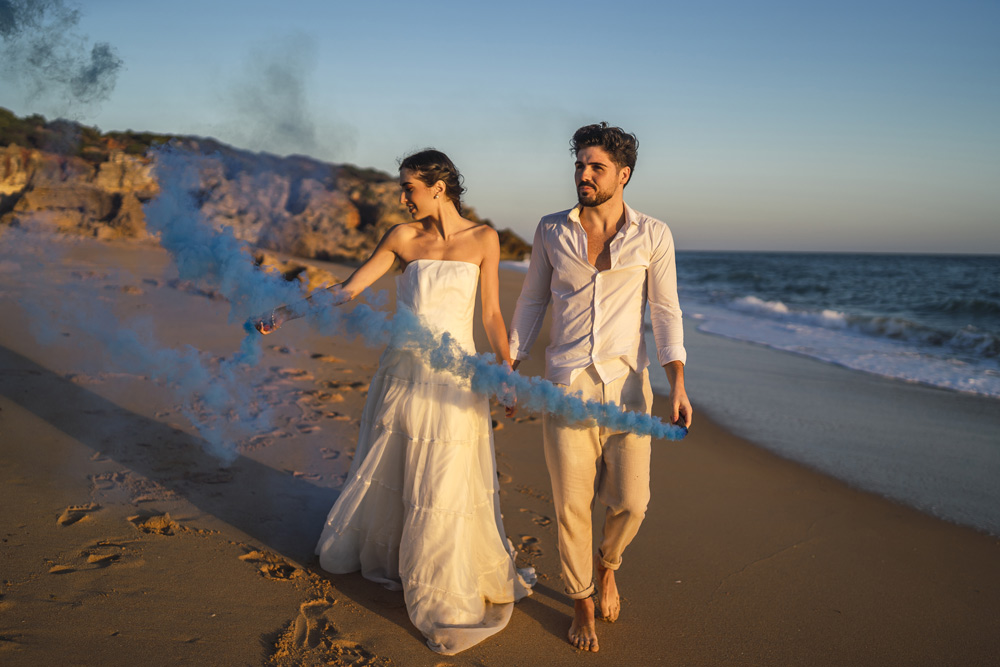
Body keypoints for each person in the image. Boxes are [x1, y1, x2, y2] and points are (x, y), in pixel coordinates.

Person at [256, 149, 532, 655]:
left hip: (459, 377)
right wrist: (287, 310)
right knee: (402, 467)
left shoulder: (484, 239)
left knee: (447, 476)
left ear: (439, 187)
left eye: (409, 187)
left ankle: (442, 584)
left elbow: (492, 314)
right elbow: (348, 289)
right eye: (401, 188)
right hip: (405, 372)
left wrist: (506, 373)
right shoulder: (403, 238)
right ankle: (405, 561)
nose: (403, 197)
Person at [507, 122, 693, 652]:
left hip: (629, 388)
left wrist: (676, 382)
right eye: (579, 165)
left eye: (596, 167)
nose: (583, 175)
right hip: (565, 385)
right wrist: (512, 363)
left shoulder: (654, 234)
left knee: (633, 502)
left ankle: (608, 564)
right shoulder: (551, 230)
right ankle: (582, 599)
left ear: (624, 175)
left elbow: (665, 311)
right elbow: (531, 301)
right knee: (571, 504)